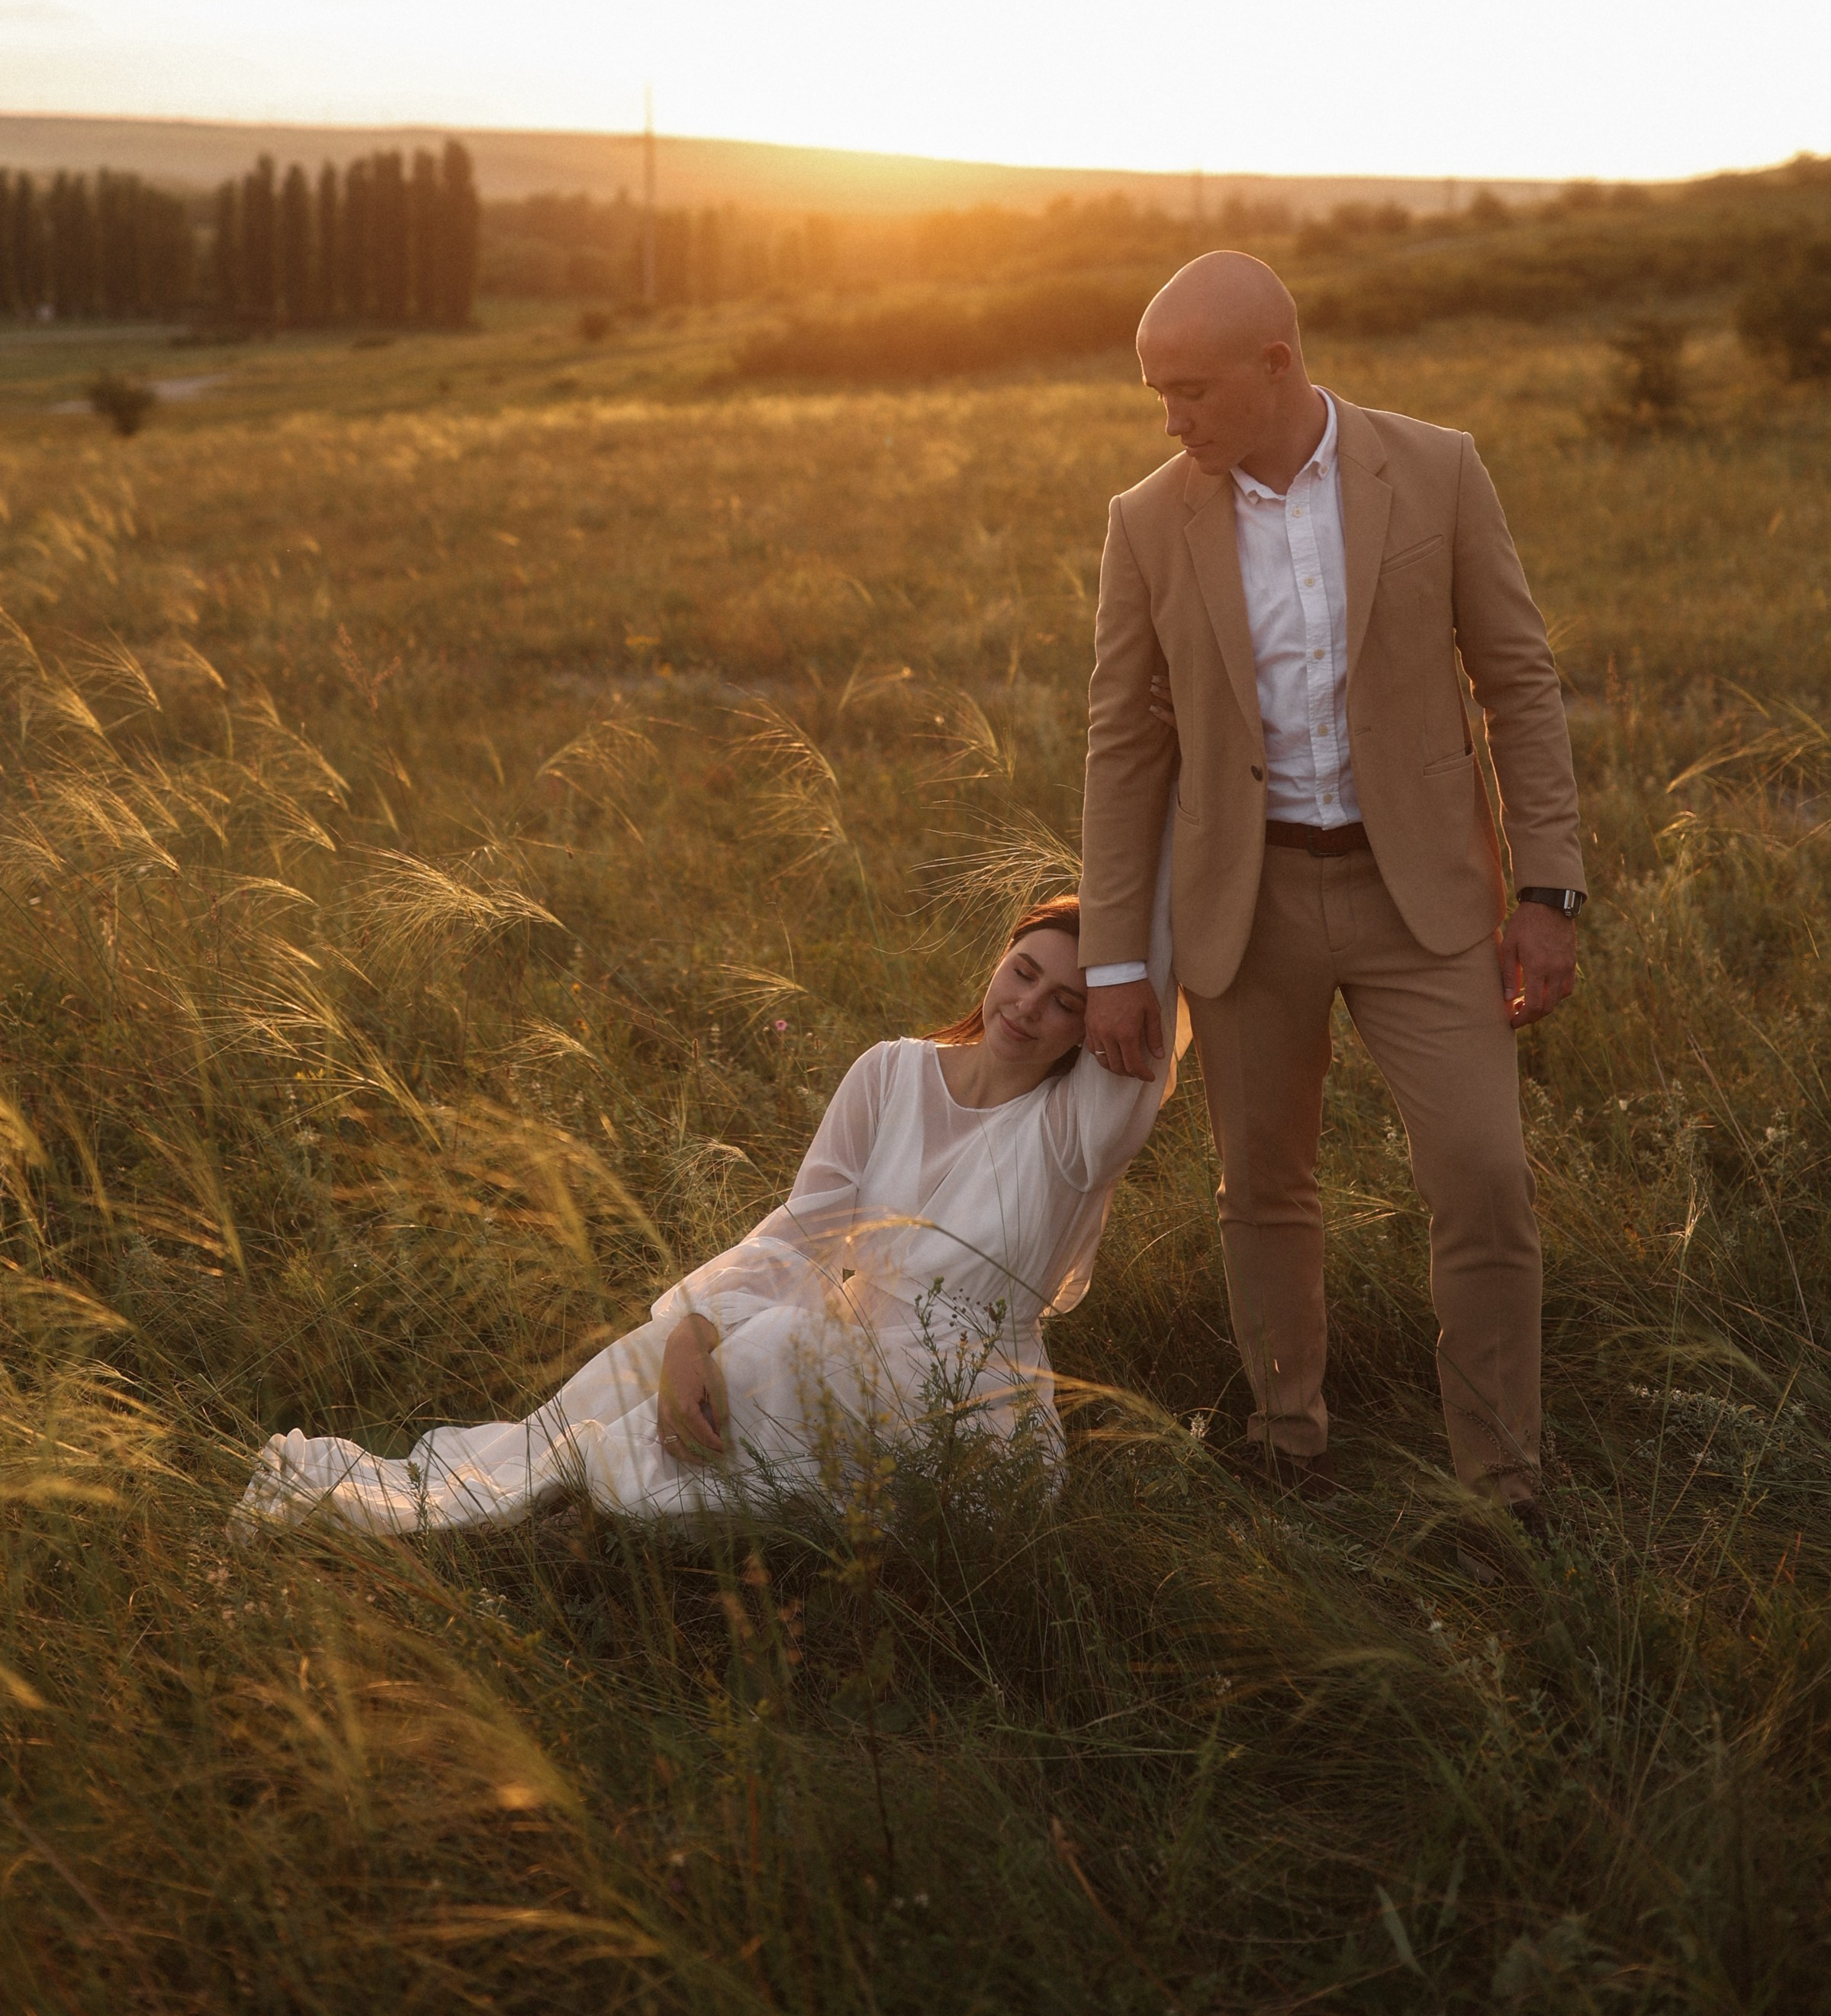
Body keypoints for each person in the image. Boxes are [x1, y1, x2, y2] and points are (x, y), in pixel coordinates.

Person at [1078, 251, 1583, 1533]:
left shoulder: (1438, 470)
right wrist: (1114, 961)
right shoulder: (1146, 520)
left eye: (1190, 390)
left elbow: (1519, 685)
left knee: (1484, 1179)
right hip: (1244, 909)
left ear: (1277, 365)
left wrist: (1548, 893)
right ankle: (1287, 1449)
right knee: (1262, 1191)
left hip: (1427, 903)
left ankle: (1502, 1489)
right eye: (1156, 393)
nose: (1170, 420)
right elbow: (1124, 745)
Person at [233, 872, 1183, 1539]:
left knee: (769, 1359)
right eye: (1026, 972)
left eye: (1068, 1002)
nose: (1029, 1007)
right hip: (845, 1351)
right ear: (1001, 958)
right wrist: (694, 1327)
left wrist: (1177, 739)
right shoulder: (891, 1073)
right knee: (668, 1352)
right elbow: (801, 1232)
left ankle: (588, 1504)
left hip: (963, 1414)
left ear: (1095, 1026)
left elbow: (1165, 956)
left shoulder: (1078, 1134)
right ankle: (539, 1499)